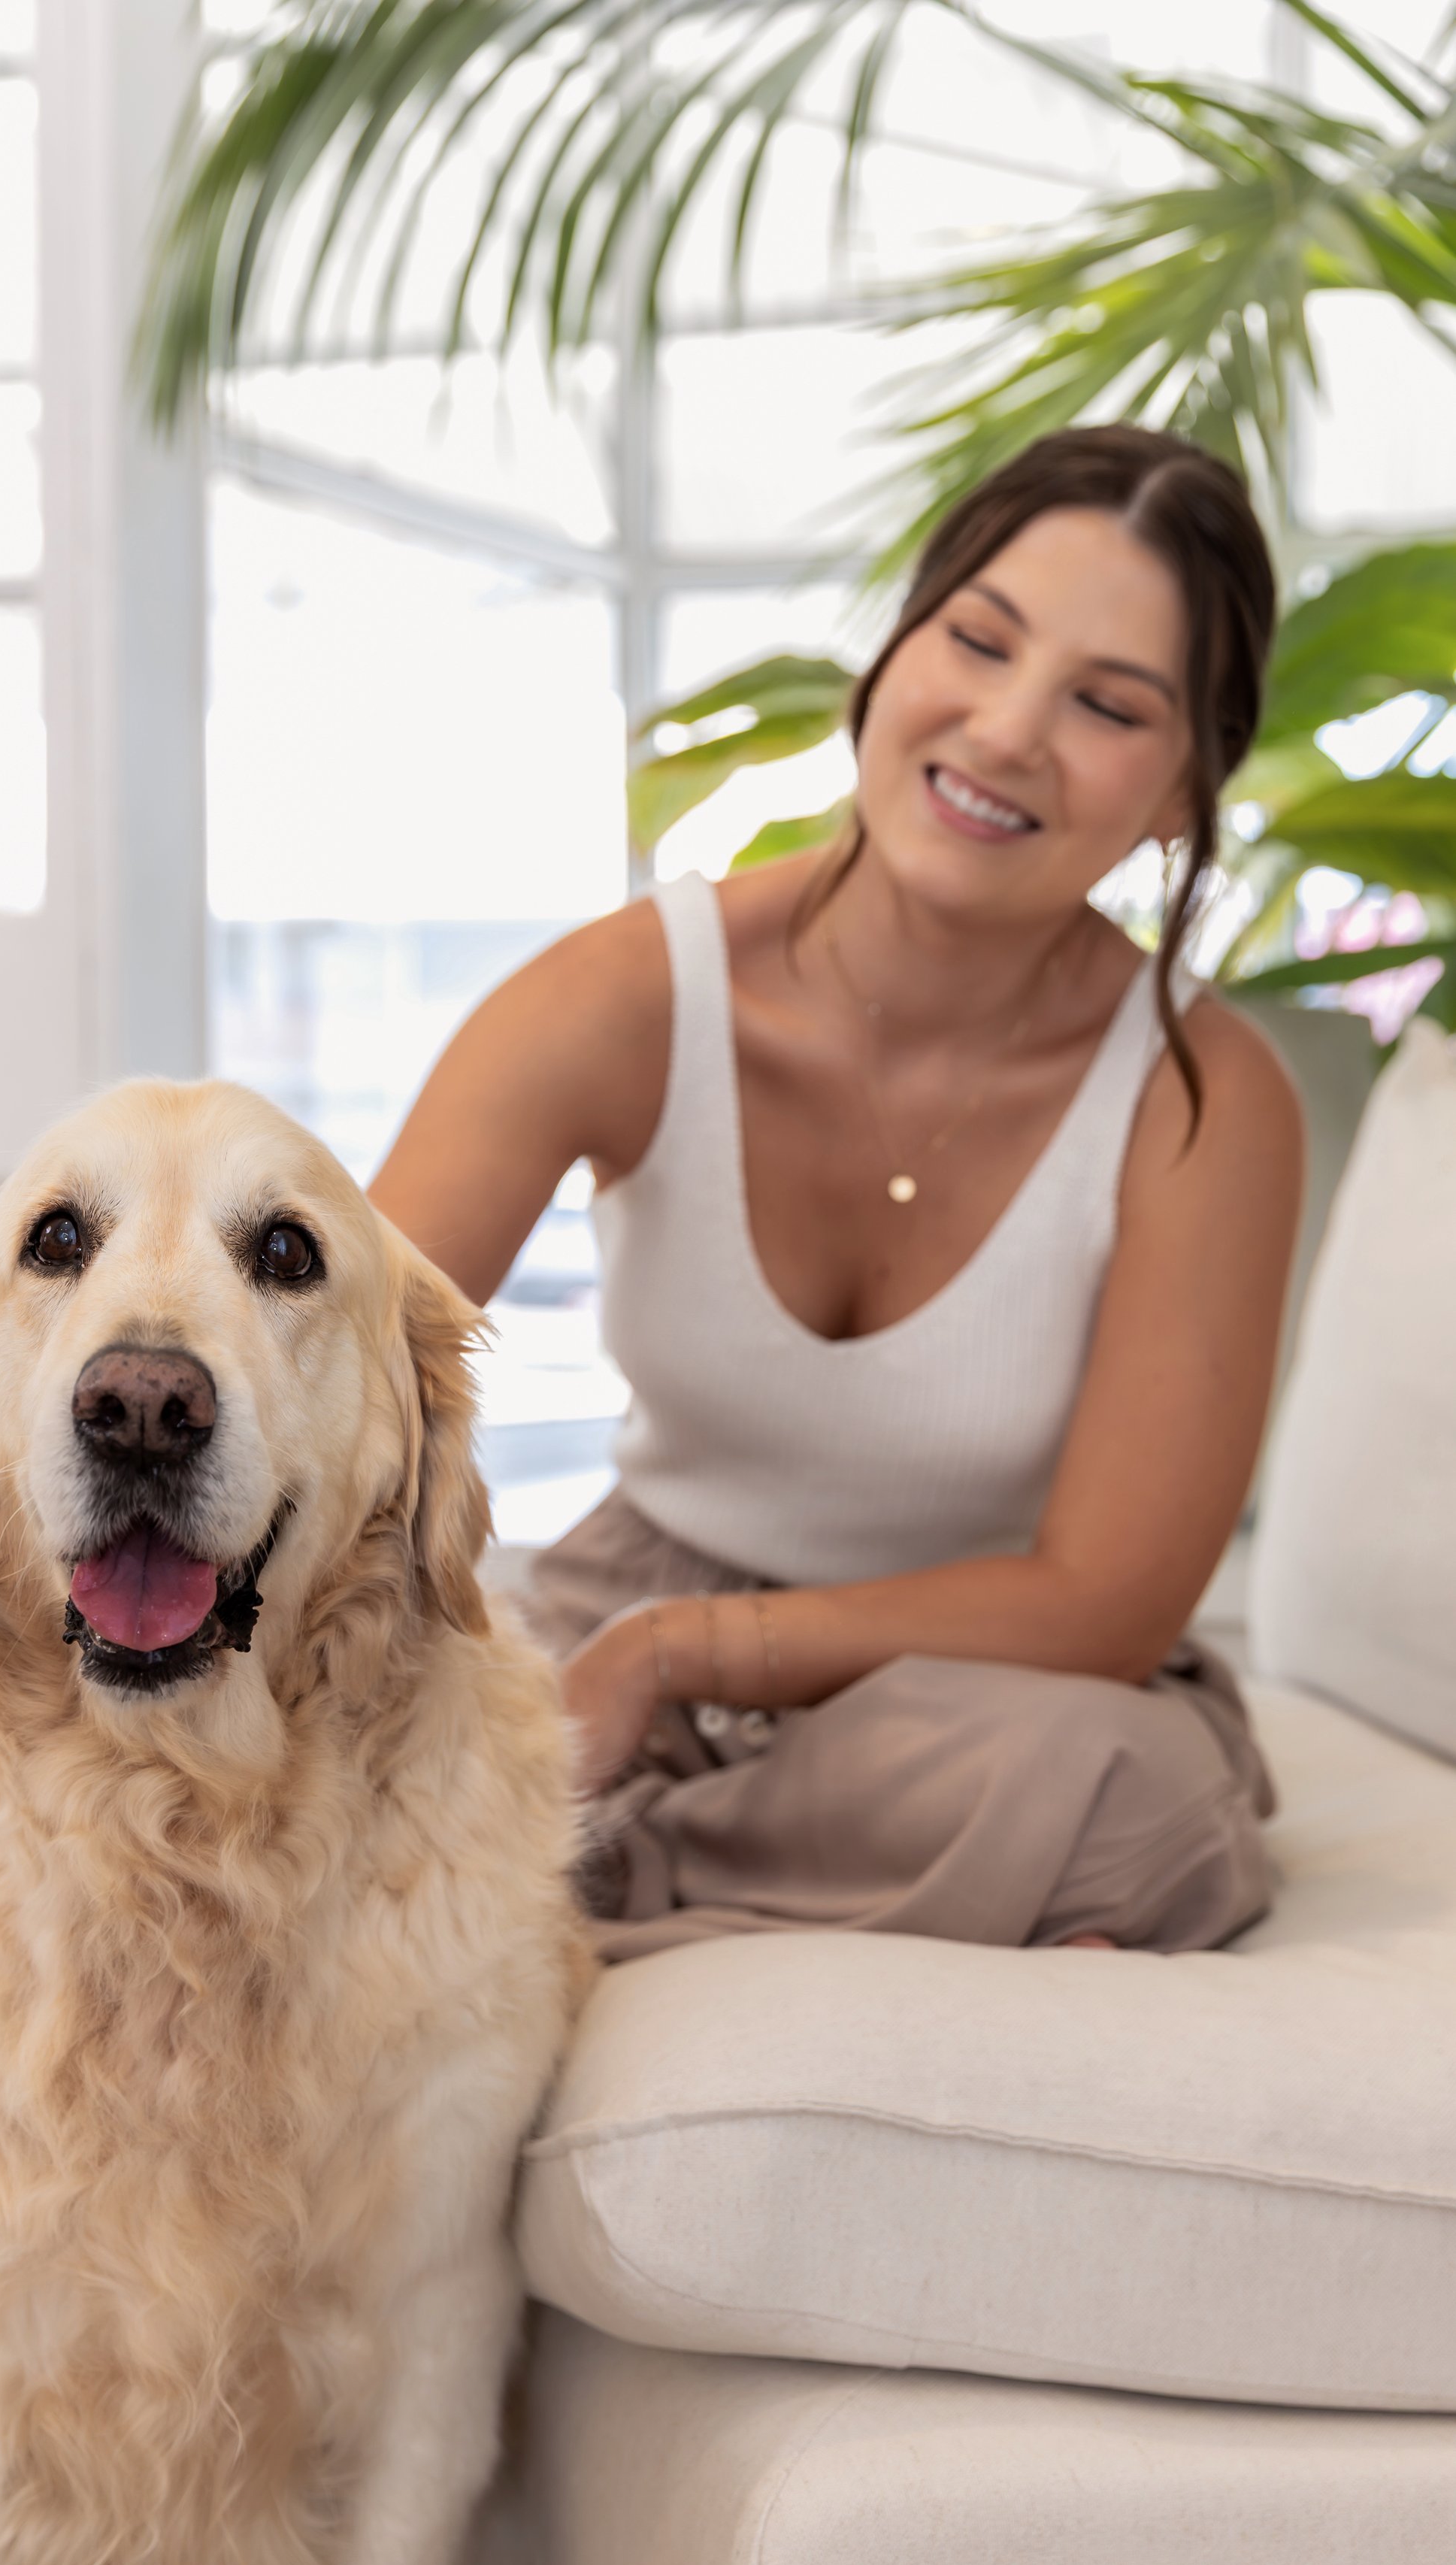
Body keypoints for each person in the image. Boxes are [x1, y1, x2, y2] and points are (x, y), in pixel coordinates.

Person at [371, 425, 1304, 1962]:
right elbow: (336, 1374)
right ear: (893, 654)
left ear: (1177, 791)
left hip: (972, 1682)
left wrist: (678, 1655)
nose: (1004, 733)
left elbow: (1101, 1603)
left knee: (1129, 1807)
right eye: (977, 641)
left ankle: (590, 1891)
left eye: (1104, 705)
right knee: (366, 1744)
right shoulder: (630, 994)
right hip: (613, 1607)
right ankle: (692, 1885)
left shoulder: (1204, 1097)